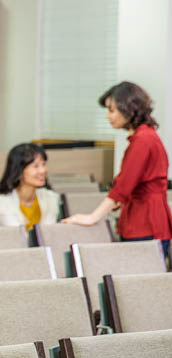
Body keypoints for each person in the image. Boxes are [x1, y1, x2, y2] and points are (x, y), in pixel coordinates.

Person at [64, 81, 172, 257]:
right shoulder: (147, 136)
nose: (108, 116)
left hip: (144, 224)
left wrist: (92, 217)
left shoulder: (142, 141)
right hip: (151, 221)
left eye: (112, 110)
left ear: (129, 108)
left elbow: (122, 188)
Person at [0, 143, 60, 230]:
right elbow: (18, 236)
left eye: (43, 164)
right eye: (36, 166)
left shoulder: (50, 197)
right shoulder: (0, 201)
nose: (43, 170)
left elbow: (49, 233)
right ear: (19, 170)